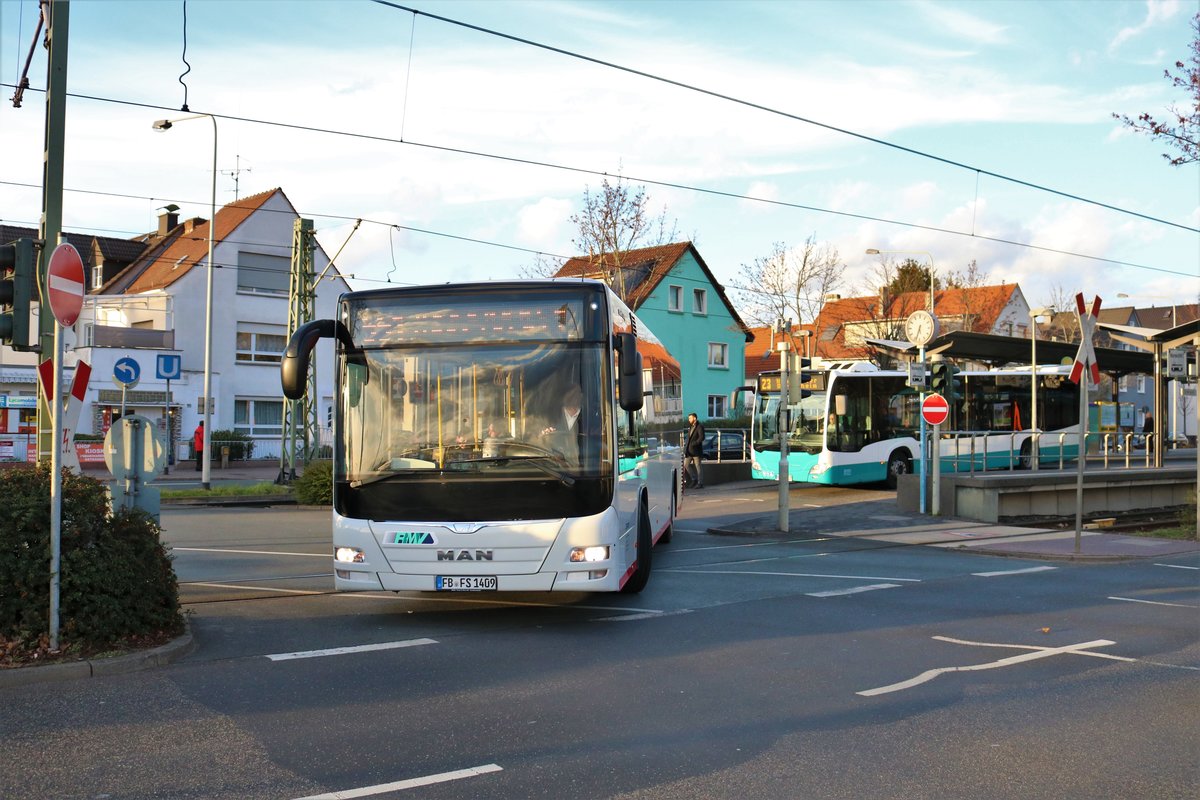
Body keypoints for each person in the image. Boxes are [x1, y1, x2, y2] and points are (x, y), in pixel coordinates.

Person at [539, 385, 585, 462]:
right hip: (556, 466)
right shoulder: (550, 418)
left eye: (577, 393)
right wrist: (544, 438)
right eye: (570, 394)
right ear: (563, 396)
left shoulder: (589, 417)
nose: (573, 397)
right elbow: (540, 444)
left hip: (587, 465)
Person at [684, 412, 704, 489]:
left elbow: (702, 437)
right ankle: (694, 479)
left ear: (694, 418)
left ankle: (700, 483)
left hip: (696, 451)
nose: (689, 419)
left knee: (698, 467)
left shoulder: (699, 426)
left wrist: (694, 443)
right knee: (686, 465)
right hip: (689, 451)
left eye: (690, 418)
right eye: (689, 418)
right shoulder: (691, 427)